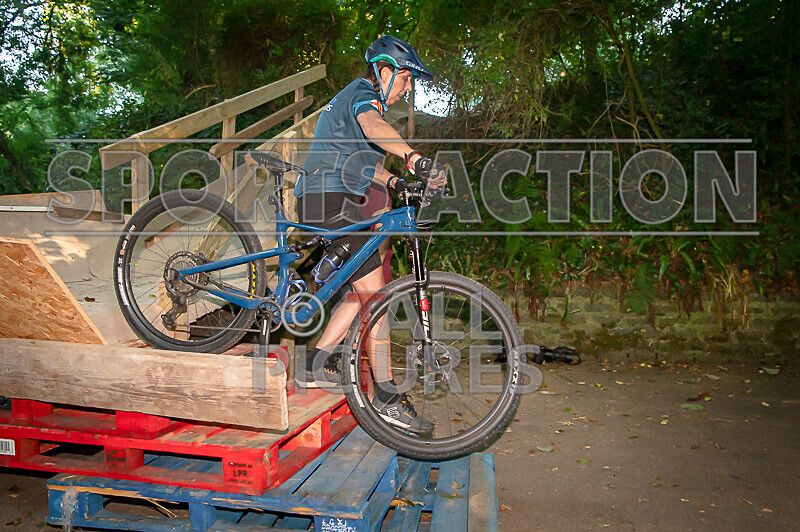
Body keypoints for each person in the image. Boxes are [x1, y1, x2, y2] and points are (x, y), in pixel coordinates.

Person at [293, 35, 446, 433]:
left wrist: (397, 182)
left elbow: (366, 164)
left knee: (363, 290)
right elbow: (373, 125)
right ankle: (387, 398)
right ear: (383, 70)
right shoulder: (364, 95)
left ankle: (311, 366)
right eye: (406, 79)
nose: (408, 88)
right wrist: (413, 157)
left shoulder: (360, 105)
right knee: (378, 295)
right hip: (327, 199)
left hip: (332, 197)